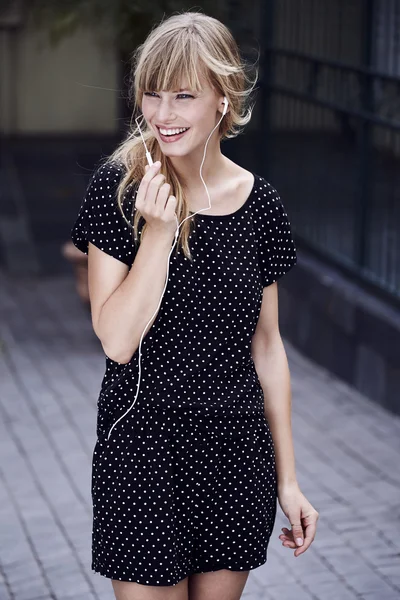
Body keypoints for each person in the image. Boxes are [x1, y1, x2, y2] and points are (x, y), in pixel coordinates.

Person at [70, 10, 319, 600]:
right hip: (143, 452)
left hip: (235, 456)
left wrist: (288, 481)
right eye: (152, 95)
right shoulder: (120, 190)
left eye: (184, 96)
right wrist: (158, 235)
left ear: (223, 99)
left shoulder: (261, 206)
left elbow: (268, 346)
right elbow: (116, 340)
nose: (163, 114)